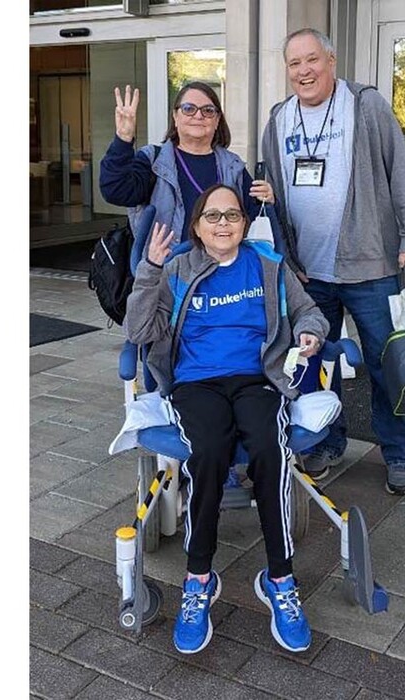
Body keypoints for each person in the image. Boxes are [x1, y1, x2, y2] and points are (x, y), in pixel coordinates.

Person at [123, 183, 327, 655]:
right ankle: (198, 579)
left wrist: (310, 334)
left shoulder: (269, 266)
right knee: (209, 452)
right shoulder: (175, 269)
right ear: (196, 226)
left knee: (270, 452)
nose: (223, 224)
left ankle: (279, 579)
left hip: (256, 379)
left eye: (232, 215)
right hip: (196, 383)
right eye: (212, 216)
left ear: (243, 222)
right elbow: (138, 330)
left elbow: (309, 312)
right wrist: (149, 270)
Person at [259, 28, 405, 494]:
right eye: (294, 64)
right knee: (311, 363)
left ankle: (399, 451)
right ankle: (326, 442)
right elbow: (273, 186)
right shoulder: (279, 118)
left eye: (312, 60)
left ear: (331, 61)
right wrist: (284, 256)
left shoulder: (365, 105)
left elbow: (400, 172)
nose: (304, 71)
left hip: (371, 266)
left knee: (385, 362)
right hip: (307, 272)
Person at [100, 81, 273, 233]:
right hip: (166, 267)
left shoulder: (233, 166)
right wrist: (123, 138)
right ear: (175, 116)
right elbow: (116, 192)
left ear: (217, 119)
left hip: (220, 267)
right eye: (189, 109)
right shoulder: (153, 161)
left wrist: (268, 201)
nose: (198, 116)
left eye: (208, 110)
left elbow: (255, 221)